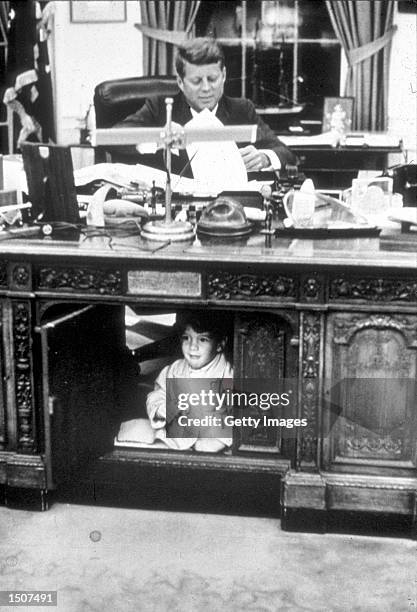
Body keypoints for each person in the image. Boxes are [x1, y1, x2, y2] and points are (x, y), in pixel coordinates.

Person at [113, 37, 297, 177]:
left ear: (223, 75)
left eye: (212, 79)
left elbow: (286, 153)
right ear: (180, 81)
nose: (206, 88)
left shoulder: (242, 109)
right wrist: (157, 138)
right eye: (196, 81)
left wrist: (264, 157)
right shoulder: (161, 107)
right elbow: (115, 137)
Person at [116, 310, 233, 453]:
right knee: (136, 433)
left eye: (202, 339)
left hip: (208, 438)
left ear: (220, 344)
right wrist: (160, 409)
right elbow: (158, 394)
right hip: (172, 432)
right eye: (186, 338)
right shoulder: (175, 369)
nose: (192, 347)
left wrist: (220, 439)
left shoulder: (227, 374)